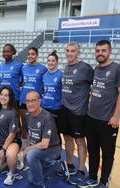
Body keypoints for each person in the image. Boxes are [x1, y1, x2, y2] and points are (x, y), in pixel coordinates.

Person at [78, 40, 120, 188]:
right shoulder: (96, 69)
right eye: (98, 50)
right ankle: (92, 177)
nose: (100, 53)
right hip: (91, 117)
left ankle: (103, 182)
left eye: (103, 50)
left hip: (107, 120)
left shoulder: (116, 68)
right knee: (93, 150)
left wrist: (116, 116)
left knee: (107, 154)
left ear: (110, 52)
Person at [59, 42, 94, 184]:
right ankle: (70, 165)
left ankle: (80, 169)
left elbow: (96, 87)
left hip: (78, 112)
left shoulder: (85, 68)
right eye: (67, 50)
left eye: (73, 51)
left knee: (79, 141)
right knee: (67, 138)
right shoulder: (66, 67)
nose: (69, 53)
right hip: (64, 109)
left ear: (78, 52)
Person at [23, 91, 61, 188]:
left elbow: (44, 144)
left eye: (33, 101)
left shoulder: (47, 117)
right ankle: (50, 165)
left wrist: (28, 149)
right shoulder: (27, 114)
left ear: (39, 101)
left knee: (31, 155)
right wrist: (28, 146)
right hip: (38, 148)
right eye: (28, 101)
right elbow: (29, 133)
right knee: (30, 177)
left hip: (52, 148)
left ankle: (39, 184)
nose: (30, 104)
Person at [0, 86, 21, 186]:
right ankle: (15, 159)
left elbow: (12, 134)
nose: (3, 97)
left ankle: (12, 173)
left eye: (6, 95)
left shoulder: (13, 113)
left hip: (12, 141)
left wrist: (3, 149)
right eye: (2, 94)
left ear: (10, 98)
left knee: (10, 155)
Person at [19, 47, 47, 145]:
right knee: (24, 125)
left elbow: (45, 85)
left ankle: (35, 147)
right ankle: (24, 146)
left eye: (33, 54)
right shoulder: (24, 68)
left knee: (35, 127)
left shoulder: (43, 69)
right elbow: (22, 82)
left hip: (35, 102)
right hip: (23, 101)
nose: (30, 56)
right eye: (29, 54)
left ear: (37, 55)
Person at [41, 51, 63, 147]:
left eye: (53, 61)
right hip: (44, 107)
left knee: (55, 132)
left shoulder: (61, 75)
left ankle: (57, 156)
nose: (50, 62)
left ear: (57, 62)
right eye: (49, 60)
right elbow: (43, 90)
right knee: (45, 132)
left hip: (55, 108)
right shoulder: (44, 75)